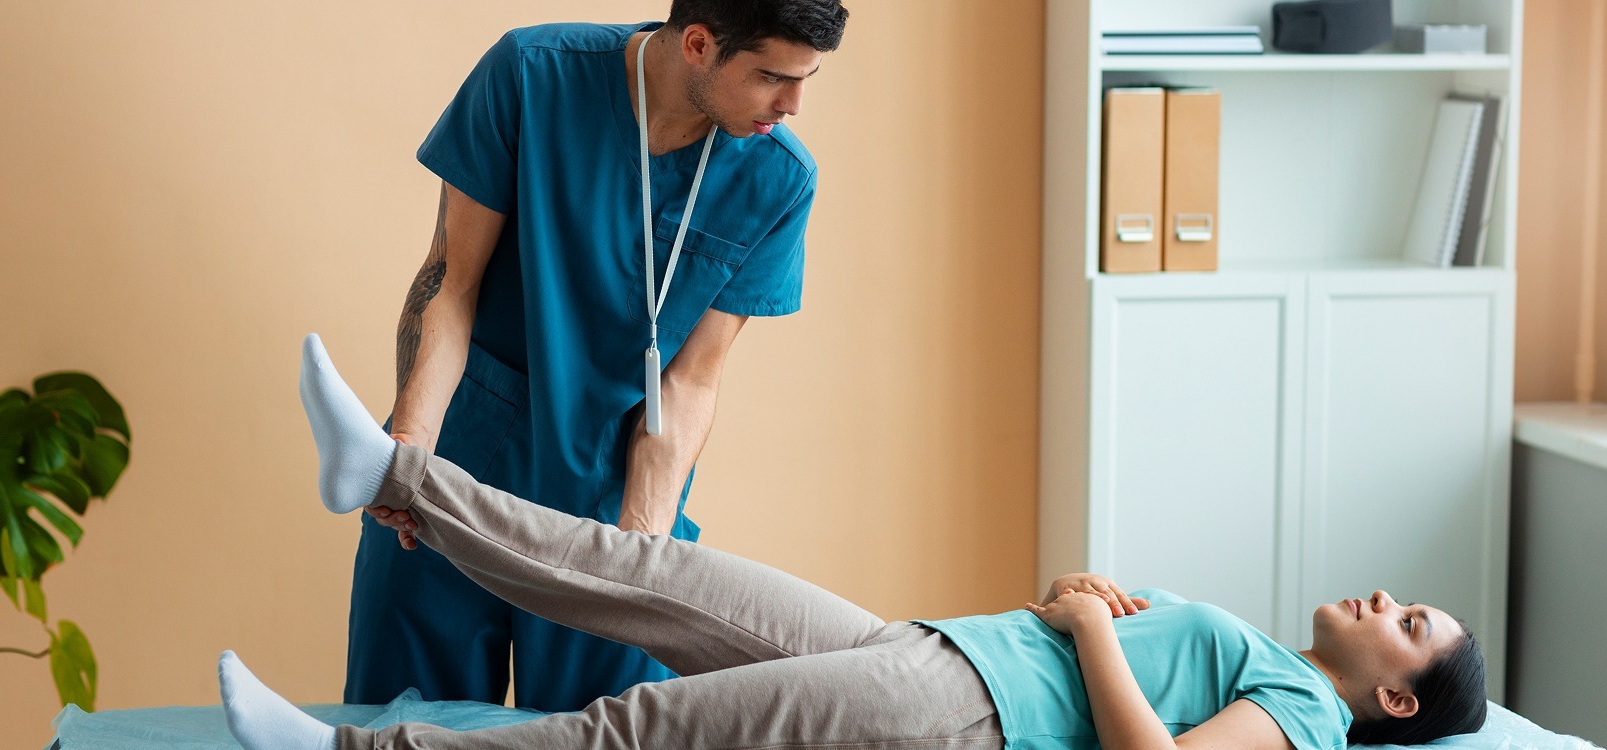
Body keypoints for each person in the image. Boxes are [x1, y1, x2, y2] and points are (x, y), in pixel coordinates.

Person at [239, 334, 1488, 750]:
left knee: (643, 730)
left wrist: (1089, 626)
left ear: (1393, 696)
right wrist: (1072, 603)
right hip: (937, 654)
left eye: (1411, 623)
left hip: (960, 711)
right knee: (648, 571)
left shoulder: (1308, 715)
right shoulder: (1273, 659)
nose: (1388, 598)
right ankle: (390, 474)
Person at [350, 0, 849, 711]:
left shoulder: (777, 177)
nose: (793, 104)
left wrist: (638, 551)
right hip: (463, 457)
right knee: (404, 721)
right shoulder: (531, 75)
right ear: (699, 44)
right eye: (772, 76)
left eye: (806, 79)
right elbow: (450, 284)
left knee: (610, 729)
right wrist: (411, 453)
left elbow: (690, 380)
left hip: (617, 493)